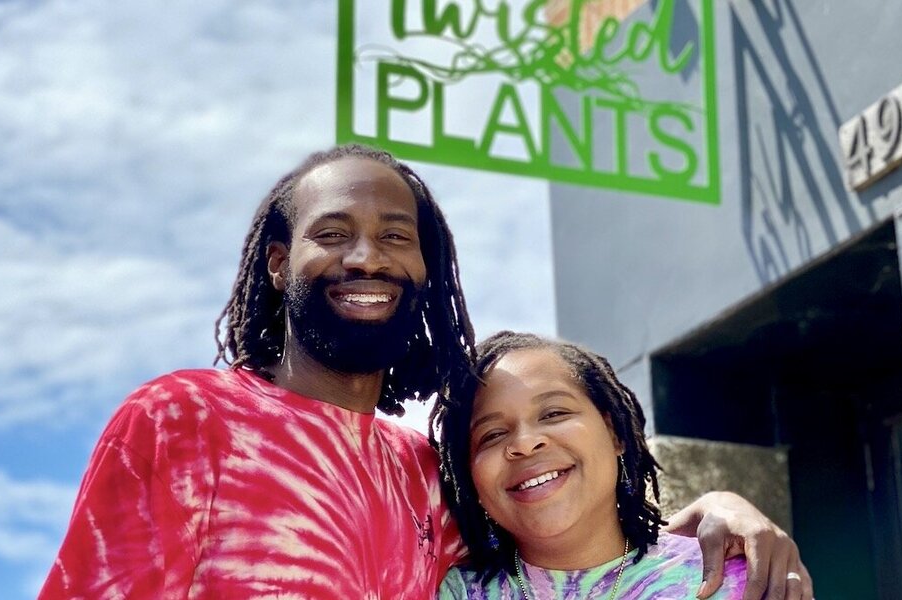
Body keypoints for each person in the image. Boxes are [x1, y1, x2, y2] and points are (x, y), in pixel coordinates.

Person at [40, 144, 813, 599]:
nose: (366, 257)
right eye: (332, 233)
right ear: (279, 265)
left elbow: (571, 539)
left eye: (394, 236)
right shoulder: (184, 418)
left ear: (426, 264)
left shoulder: (424, 471)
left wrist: (716, 509)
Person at [434, 331, 773, 600]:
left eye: (554, 414)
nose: (524, 443)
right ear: (468, 478)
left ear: (614, 435)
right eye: (492, 434)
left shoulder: (732, 580)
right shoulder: (459, 593)